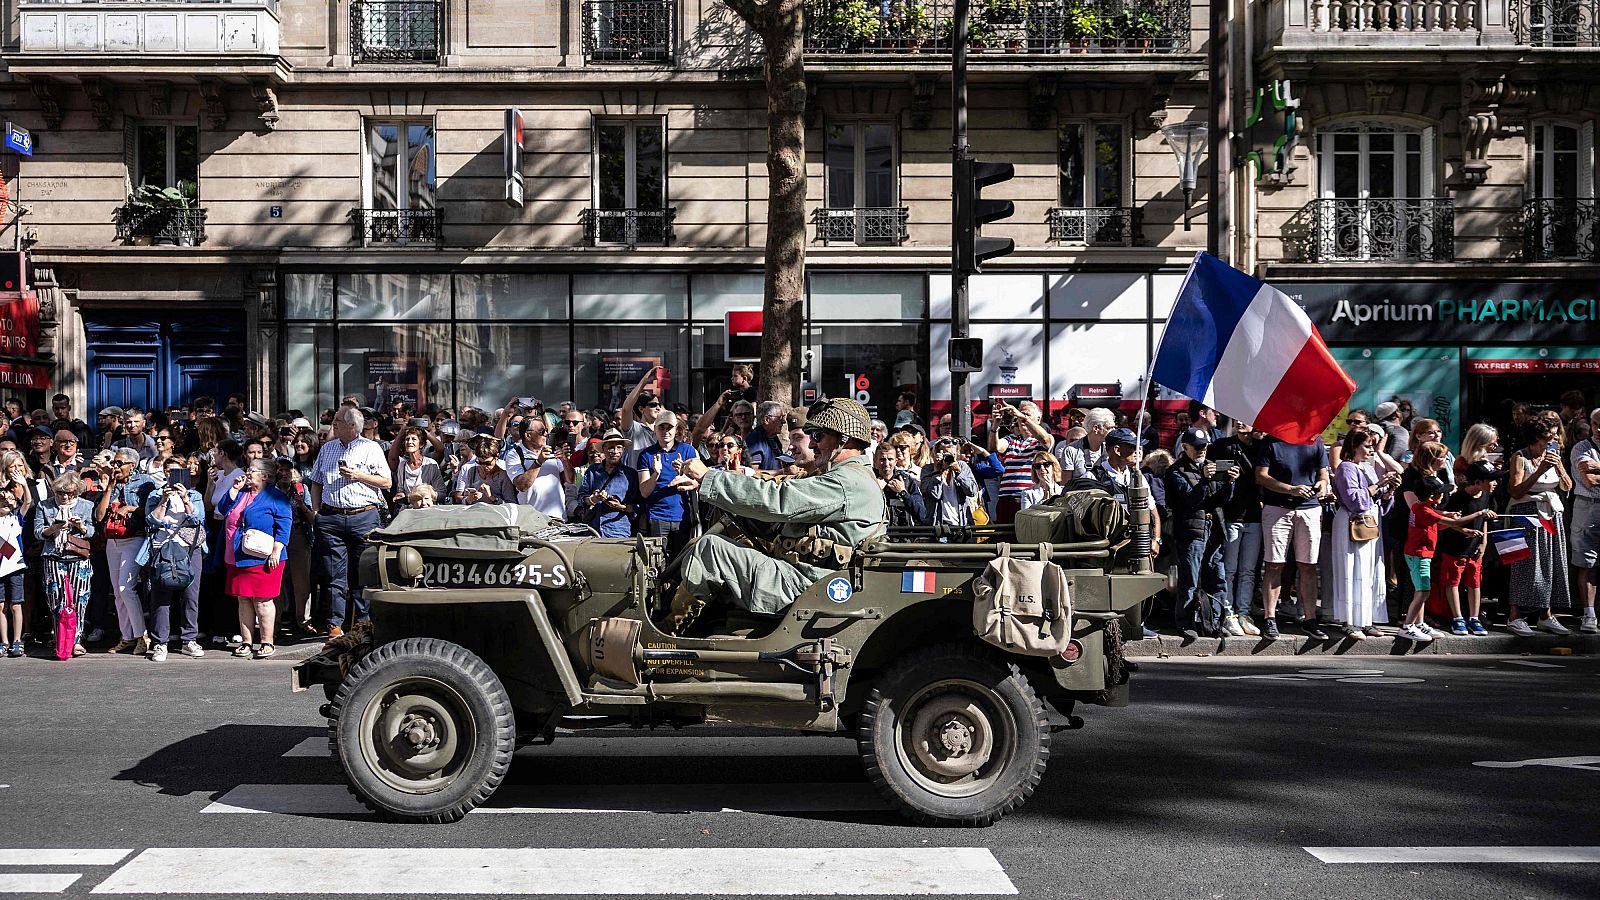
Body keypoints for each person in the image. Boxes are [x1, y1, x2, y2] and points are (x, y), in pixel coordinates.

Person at [665, 398, 885, 631]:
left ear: (844, 439)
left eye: (818, 437)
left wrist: (709, 478)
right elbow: (779, 497)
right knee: (717, 542)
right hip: (809, 579)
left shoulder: (847, 482)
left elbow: (779, 499)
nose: (812, 445)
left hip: (807, 584)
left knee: (711, 549)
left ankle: (668, 634)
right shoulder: (851, 478)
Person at [308, 406, 392, 640]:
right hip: (331, 517)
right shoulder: (327, 449)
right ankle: (335, 624)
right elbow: (316, 481)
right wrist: (316, 512)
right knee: (334, 573)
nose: (332, 424)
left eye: (337, 421)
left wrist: (358, 476)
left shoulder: (371, 448)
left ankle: (363, 624)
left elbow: (386, 482)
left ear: (352, 426)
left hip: (363, 516)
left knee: (362, 572)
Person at [1398, 476, 1495, 643]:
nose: (1444, 496)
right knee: (1423, 592)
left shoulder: (1419, 506)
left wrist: (1453, 521)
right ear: (1431, 497)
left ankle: (1419, 623)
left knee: (1420, 590)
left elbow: (1440, 522)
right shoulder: (1425, 511)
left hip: (1418, 554)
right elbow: (1455, 521)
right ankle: (1407, 627)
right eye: (1440, 493)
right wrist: (1480, 513)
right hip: (1419, 555)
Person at [1254, 432, 1331, 640]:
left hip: (1310, 508)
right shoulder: (1271, 441)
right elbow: (1261, 475)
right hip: (1277, 507)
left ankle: (1310, 619)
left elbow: (1323, 475)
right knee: (1274, 564)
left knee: (1308, 565)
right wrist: (1291, 489)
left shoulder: (1315, 440)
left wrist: (1321, 485)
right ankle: (1270, 618)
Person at [1328, 428, 1401, 640]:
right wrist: (1379, 484)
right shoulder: (1346, 468)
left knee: (1369, 570)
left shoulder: (1366, 468)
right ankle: (1350, 621)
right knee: (1352, 568)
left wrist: (1389, 491)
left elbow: (1378, 501)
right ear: (1354, 446)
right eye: (1367, 446)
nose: (1371, 450)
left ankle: (1366, 619)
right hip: (1352, 523)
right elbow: (1354, 500)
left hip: (1370, 522)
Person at [1505, 417, 1574, 636]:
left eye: (1555, 434)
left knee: (1550, 561)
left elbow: (1567, 485)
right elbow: (1514, 490)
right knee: (1522, 562)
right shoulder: (1520, 456)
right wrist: (1539, 470)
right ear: (1536, 437)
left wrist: (1559, 468)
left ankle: (1546, 615)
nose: (1555, 438)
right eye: (1550, 435)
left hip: (1550, 512)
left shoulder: (1554, 455)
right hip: (1525, 512)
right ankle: (1515, 616)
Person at [217, 459, 292, 659]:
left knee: (263, 601)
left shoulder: (276, 497)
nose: (247, 473)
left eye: (252, 470)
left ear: (265, 476)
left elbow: (284, 526)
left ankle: (267, 641)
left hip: (264, 556)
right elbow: (224, 508)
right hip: (237, 555)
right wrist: (233, 489)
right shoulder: (242, 492)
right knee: (243, 600)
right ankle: (246, 642)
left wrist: (276, 551)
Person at [1165, 428, 1235, 639]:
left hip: (1213, 528)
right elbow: (1191, 500)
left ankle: (1215, 621)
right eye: (1197, 448)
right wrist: (1205, 480)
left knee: (1217, 576)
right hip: (1191, 530)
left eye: (1204, 447)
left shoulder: (1209, 466)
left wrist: (1230, 482)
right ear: (1185, 448)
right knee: (1190, 579)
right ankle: (1185, 623)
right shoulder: (1176, 471)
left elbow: (1223, 500)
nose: (1201, 451)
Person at [139, 458, 207, 661]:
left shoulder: (194, 495)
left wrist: (185, 499)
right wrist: (163, 501)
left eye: (178, 472)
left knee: (190, 595)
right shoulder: (155, 494)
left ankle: (189, 639)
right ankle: (160, 642)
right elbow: (151, 520)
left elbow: (198, 519)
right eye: (169, 471)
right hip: (163, 549)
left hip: (189, 549)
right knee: (161, 596)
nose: (173, 475)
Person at [97, 447, 157, 655]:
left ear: (132, 465)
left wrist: (131, 509)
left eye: (120, 463)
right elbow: (99, 516)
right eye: (114, 463)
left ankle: (142, 635)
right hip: (113, 541)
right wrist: (109, 487)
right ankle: (127, 636)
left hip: (135, 537)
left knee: (126, 588)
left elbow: (153, 510)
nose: (116, 466)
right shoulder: (111, 483)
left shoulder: (145, 483)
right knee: (117, 593)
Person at [1436, 462, 1501, 637]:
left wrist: (1483, 542)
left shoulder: (1486, 496)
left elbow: (1485, 521)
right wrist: (1465, 530)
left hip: (1475, 548)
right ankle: (1457, 617)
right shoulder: (1457, 498)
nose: (1495, 483)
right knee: (1453, 581)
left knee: (1475, 582)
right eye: (1491, 480)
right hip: (1455, 547)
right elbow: (1446, 521)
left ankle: (1474, 617)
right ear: (1477, 482)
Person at [1211, 423, 1263, 636]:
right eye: (1238, 418)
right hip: (1231, 516)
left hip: (1255, 516)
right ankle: (1228, 612)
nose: (1241, 422)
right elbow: (1214, 477)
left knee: (1249, 570)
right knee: (1229, 568)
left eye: (1246, 418)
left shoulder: (1262, 447)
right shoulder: (1223, 445)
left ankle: (1244, 612)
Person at [638, 411, 701, 559]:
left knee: (681, 562)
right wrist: (656, 474)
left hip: (683, 517)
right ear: (655, 429)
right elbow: (644, 492)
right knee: (658, 564)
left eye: (669, 427)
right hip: (657, 517)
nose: (666, 431)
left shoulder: (688, 451)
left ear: (676, 429)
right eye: (662, 427)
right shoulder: (646, 455)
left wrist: (684, 475)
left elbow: (698, 483)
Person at [1092, 428, 1162, 556]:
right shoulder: (1093, 477)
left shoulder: (1138, 477)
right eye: (1131, 447)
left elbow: (1153, 512)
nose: (1138, 451)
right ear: (1117, 450)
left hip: (1139, 547)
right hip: (1108, 550)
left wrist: (1156, 540)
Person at [988, 399, 1054, 523]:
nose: (1021, 418)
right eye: (1019, 415)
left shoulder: (1041, 440)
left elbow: (1045, 440)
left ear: (1038, 419)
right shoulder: (1011, 439)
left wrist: (1022, 417)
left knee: (1028, 534)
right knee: (1005, 537)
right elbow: (994, 448)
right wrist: (995, 425)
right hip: (1006, 499)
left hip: (1031, 497)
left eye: (1027, 415)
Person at [1569, 408, 1600, 634]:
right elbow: (1589, 480)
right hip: (1588, 507)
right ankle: (1588, 614)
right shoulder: (1582, 448)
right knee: (1587, 561)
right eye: (1596, 424)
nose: (1599, 429)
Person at [576, 429, 639, 538]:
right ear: (603, 450)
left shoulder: (630, 474)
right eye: (611, 447)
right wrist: (592, 499)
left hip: (618, 531)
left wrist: (621, 506)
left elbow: (638, 506)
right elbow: (581, 497)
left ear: (623, 450)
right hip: (592, 530)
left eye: (619, 447)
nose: (615, 451)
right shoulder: (592, 471)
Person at [921, 437, 981, 528]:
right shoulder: (928, 470)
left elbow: (972, 491)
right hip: (939, 526)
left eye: (952, 454)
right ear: (936, 454)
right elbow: (934, 494)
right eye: (946, 454)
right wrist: (937, 472)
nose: (950, 458)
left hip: (962, 524)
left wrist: (959, 473)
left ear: (957, 454)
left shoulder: (962, 467)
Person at [389, 427, 448, 514]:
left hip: (427, 511)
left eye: (413, 439)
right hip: (408, 512)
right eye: (407, 439)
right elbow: (401, 490)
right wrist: (400, 495)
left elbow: (442, 493)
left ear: (421, 444)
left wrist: (427, 495)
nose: (409, 442)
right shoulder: (402, 465)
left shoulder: (430, 464)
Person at [617, 368, 665, 467]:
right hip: (638, 480)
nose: (658, 408)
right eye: (653, 405)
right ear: (641, 409)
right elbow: (626, 409)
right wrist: (644, 381)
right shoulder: (634, 428)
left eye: (659, 405)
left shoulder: (664, 430)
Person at [874, 441, 927, 528]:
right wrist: (875, 491)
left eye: (890, 459)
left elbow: (922, 515)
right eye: (882, 459)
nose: (886, 464)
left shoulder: (907, 481)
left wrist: (903, 493)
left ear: (896, 461)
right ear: (875, 461)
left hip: (902, 537)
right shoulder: (869, 480)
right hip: (878, 536)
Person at [454, 433, 517, 504]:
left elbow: (511, 504)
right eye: (480, 463)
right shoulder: (471, 471)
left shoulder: (503, 476)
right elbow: (462, 499)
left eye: (488, 463)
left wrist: (491, 497)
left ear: (496, 458)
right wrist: (469, 499)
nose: (484, 467)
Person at [0, 487, 26, 657]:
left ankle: (17, 640)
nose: (7, 501)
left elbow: (28, 502)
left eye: (11, 499)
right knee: (0, 605)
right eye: (3, 499)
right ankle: (4, 641)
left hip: (15, 565)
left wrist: (23, 484)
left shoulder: (16, 518)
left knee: (15, 604)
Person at [1055, 407, 1113, 480]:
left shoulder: (1112, 449)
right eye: (1109, 428)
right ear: (1095, 428)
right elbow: (1065, 485)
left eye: (1081, 418)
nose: (1076, 421)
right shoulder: (1071, 450)